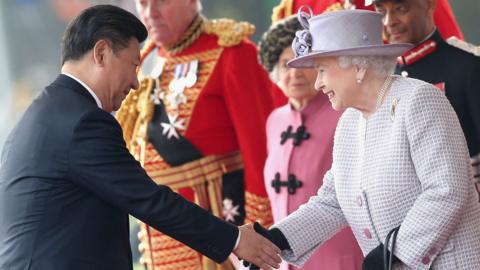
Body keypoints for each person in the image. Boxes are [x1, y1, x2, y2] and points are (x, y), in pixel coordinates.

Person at [0, 5, 282, 270]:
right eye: (133, 66)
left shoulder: (46, 111)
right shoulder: (84, 121)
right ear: (101, 53)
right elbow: (148, 198)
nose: (136, 82)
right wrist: (234, 239)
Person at [247, 8, 480, 269]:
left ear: (357, 66)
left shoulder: (419, 100)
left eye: (322, 70)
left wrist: (394, 253)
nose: (318, 84)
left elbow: (447, 190)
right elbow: (332, 201)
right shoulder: (349, 121)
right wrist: (276, 239)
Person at [115, 1, 276, 269]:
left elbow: (262, 154)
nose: (150, 13)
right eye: (143, 3)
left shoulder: (231, 52)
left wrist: (262, 231)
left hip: (221, 242)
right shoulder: (146, 59)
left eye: (161, 2)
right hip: (160, 241)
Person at [257, 13, 363, 270]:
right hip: (285, 261)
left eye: (301, 62)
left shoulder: (346, 113)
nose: (294, 73)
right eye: (284, 63)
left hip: (341, 257)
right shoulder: (275, 121)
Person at [372, 0, 480, 184]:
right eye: (381, 12)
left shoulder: (468, 68)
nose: (389, 21)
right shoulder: (385, 79)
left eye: (400, 9)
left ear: (429, 6)